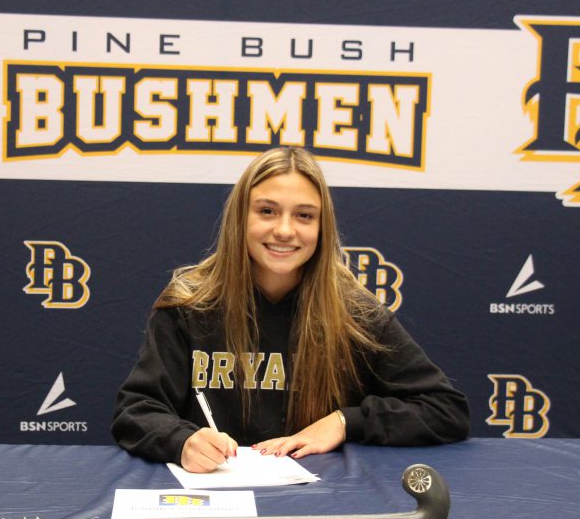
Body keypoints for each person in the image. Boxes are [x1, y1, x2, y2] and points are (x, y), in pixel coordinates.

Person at [111, 147, 469, 473]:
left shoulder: (354, 313)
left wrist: (345, 422)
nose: (284, 230)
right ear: (240, 218)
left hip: (320, 507)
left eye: (304, 216)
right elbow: (136, 410)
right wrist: (181, 442)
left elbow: (445, 410)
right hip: (214, 503)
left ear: (322, 227)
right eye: (267, 211)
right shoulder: (190, 303)